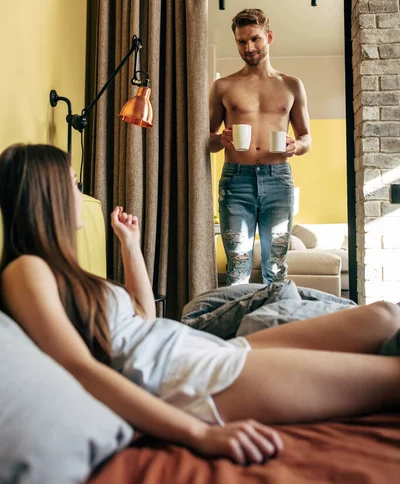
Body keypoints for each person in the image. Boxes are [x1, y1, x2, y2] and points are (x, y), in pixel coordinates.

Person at [1, 144, 400, 467]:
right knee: (390, 377)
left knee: (385, 316)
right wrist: (200, 433)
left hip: (194, 350)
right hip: (187, 378)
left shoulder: (63, 272)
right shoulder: (24, 269)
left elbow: (144, 316)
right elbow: (79, 368)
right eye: (72, 183)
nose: (79, 192)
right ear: (48, 193)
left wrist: (130, 246)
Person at [209, 8, 312, 286]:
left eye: (255, 39)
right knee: (237, 269)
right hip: (236, 180)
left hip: (278, 180)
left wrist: (295, 147)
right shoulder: (223, 86)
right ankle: (238, 328)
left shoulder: (291, 85)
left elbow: (306, 139)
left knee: (276, 269)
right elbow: (205, 141)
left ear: (269, 36)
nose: (249, 47)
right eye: (242, 42)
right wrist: (221, 140)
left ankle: (274, 327)